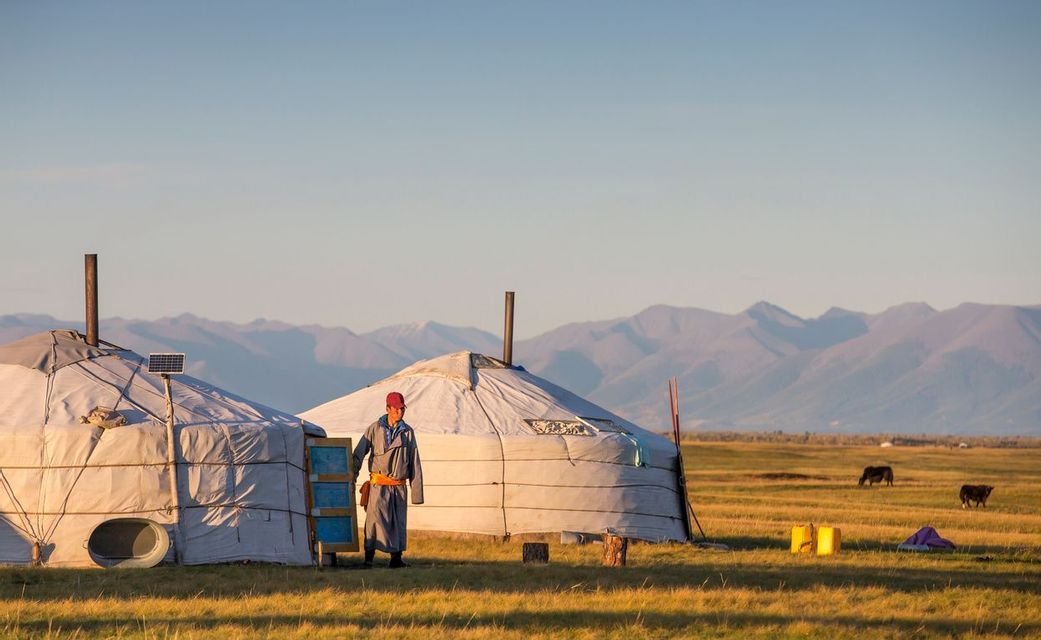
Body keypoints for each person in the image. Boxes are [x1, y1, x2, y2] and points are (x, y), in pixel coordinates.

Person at [352, 391, 424, 568]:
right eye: (397, 409)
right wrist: (351, 476)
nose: (400, 412)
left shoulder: (407, 432)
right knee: (374, 521)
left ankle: (396, 559)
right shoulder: (375, 429)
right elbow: (359, 452)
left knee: (398, 522)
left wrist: (417, 493)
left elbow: (414, 461)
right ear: (388, 408)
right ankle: (368, 559)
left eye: (402, 409)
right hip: (379, 485)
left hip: (398, 486)